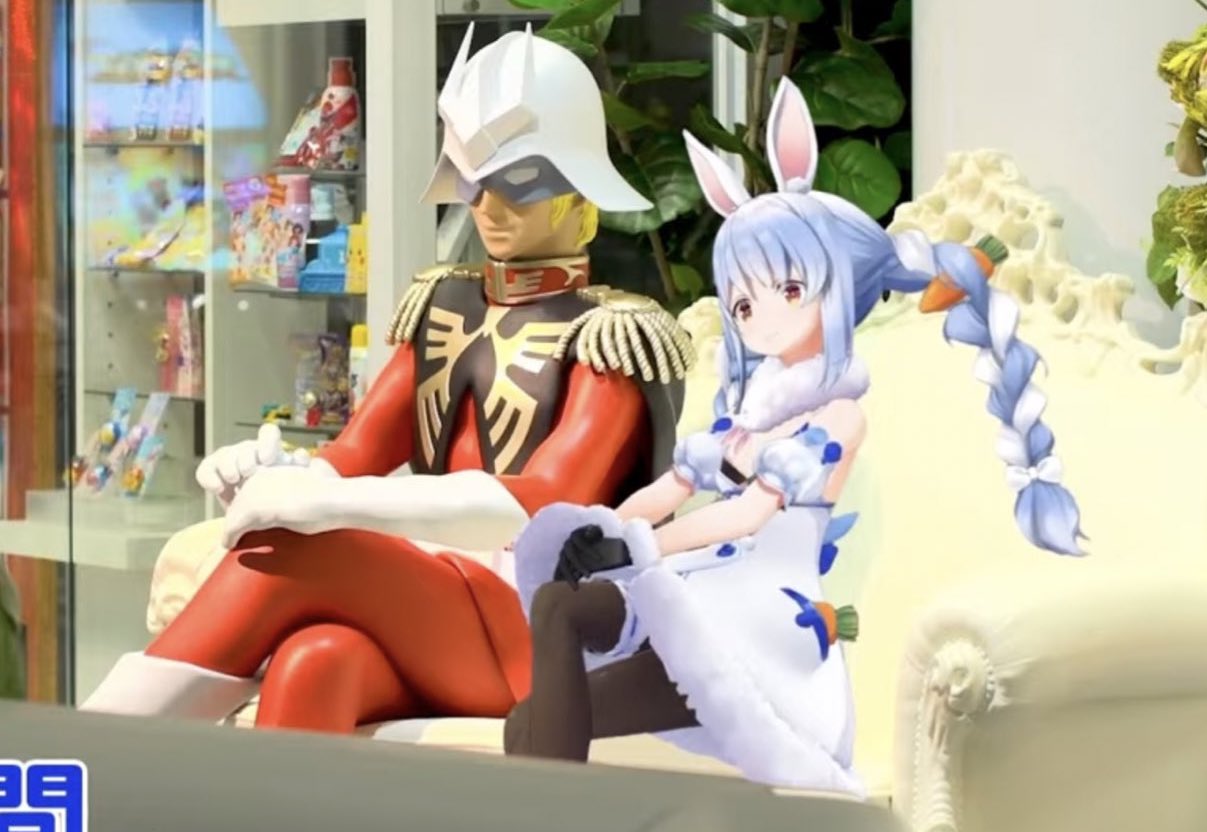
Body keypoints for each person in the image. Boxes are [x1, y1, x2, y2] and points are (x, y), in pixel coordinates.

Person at [80, 24, 693, 734]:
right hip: (439, 613)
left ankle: (94, 749)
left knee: (297, 550)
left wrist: (330, 505)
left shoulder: (611, 340)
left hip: (548, 644)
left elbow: (537, 506)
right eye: (473, 180)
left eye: (519, 183)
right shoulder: (441, 306)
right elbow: (351, 457)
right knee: (317, 662)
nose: (488, 207)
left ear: (578, 189)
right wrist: (276, 475)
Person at [502, 78, 1085, 795]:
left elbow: (748, 515)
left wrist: (634, 546)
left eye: (786, 289)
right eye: (743, 303)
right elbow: (670, 489)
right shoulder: (747, 415)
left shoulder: (835, 417)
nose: (760, 317)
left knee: (552, 663)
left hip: (759, 632)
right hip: (692, 598)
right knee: (536, 687)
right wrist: (599, 530)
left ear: (832, 287)